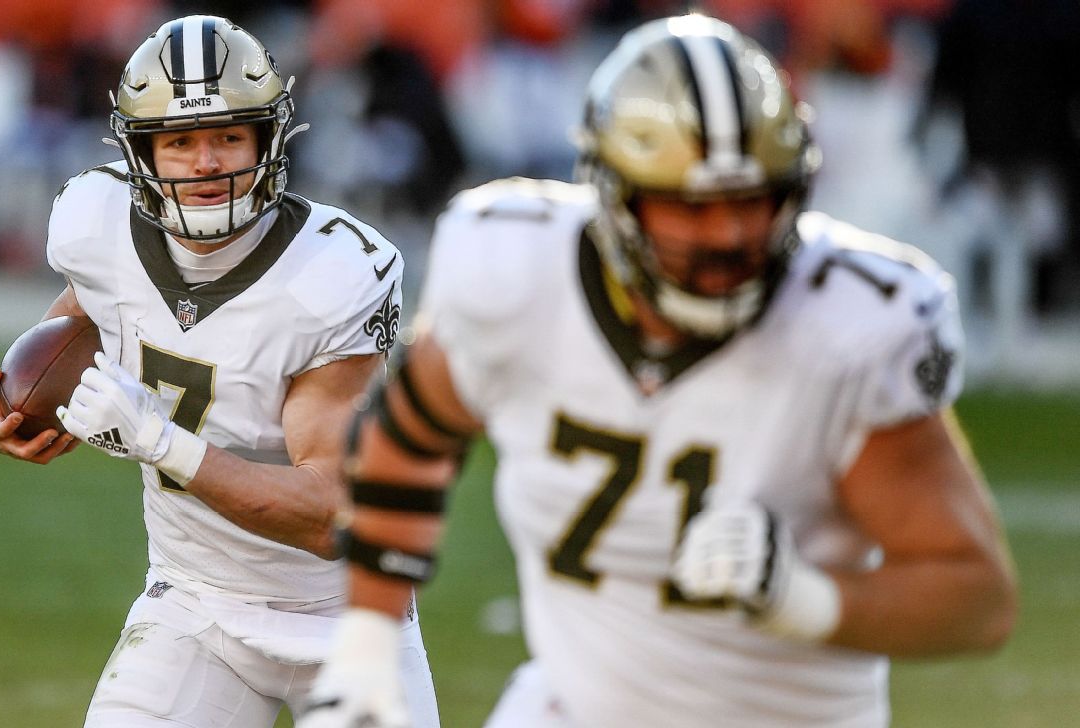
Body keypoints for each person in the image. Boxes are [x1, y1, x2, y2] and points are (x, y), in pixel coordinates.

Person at [300, 14, 1018, 728]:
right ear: (615, 196)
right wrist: (367, 645)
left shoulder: (848, 326)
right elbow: (410, 441)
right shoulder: (516, 272)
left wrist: (801, 597)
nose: (729, 236)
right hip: (570, 707)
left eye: (752, 200)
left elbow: (975, 597)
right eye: (692, 208)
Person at [0, 15, 439, 728]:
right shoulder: (94, 222)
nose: (206, 161)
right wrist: (19, 399)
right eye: (179, 140)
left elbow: (332, 513)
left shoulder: (334, 273)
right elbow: (83, 313)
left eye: (228, 136)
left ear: (269, 139)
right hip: (194, 602)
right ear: (139, 153)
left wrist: (162, 443)